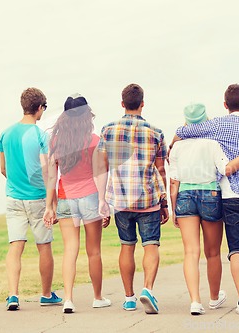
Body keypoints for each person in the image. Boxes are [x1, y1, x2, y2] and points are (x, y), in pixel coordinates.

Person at [174, 84, 239, 315]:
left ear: (225, 105)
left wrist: (173, 142)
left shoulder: (217, 124)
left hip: (230, 195)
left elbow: (184, 131)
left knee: (235, 249)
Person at [93, 83, 169, 314]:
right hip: (148, 200)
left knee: (127, 246)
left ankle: (129, 298)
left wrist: (103, 201)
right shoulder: (156, 133)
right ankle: (147, 289)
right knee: (151, 245)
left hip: (121, 200)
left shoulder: (107, 130)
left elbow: (101, 167)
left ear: (122, 103)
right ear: (142, 104)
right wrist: (164, 201)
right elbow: (161, 170)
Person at [43, 94, 112, 314]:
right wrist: (103, 201)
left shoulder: (56, 141)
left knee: (70, 250)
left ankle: (68, 299)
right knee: (94, 252)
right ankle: (98, 297)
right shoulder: (94, 140)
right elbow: (100, 173)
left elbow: (51, 177)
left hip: (65, 197)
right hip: (90, 197)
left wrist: (49, 206)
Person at [0, 87, 62, 311]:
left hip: (13, 198)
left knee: (15, 246)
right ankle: (46, 294)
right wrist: (51, 204)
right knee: (44, 246)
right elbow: (48, 172)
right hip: (37, 198)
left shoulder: (5, 134)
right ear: (39, 108)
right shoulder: (41, 136)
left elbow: (3, 169)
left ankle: (13, 295)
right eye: (44, 107)